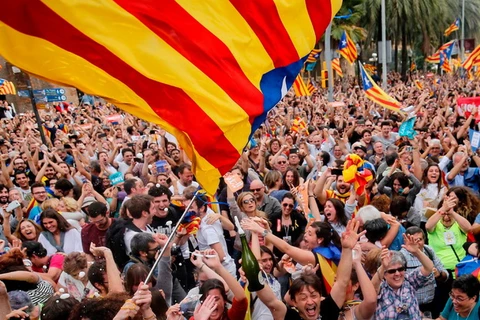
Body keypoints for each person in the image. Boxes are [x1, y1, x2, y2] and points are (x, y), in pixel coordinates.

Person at [372, 234, 434, 320]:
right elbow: (372, 289)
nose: (397, 273)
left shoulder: (409, 281)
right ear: (384, 275)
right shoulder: (381, 288)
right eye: (392, 271)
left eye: (400, 269)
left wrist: (417, 252)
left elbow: (429, 268)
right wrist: (383, 267)